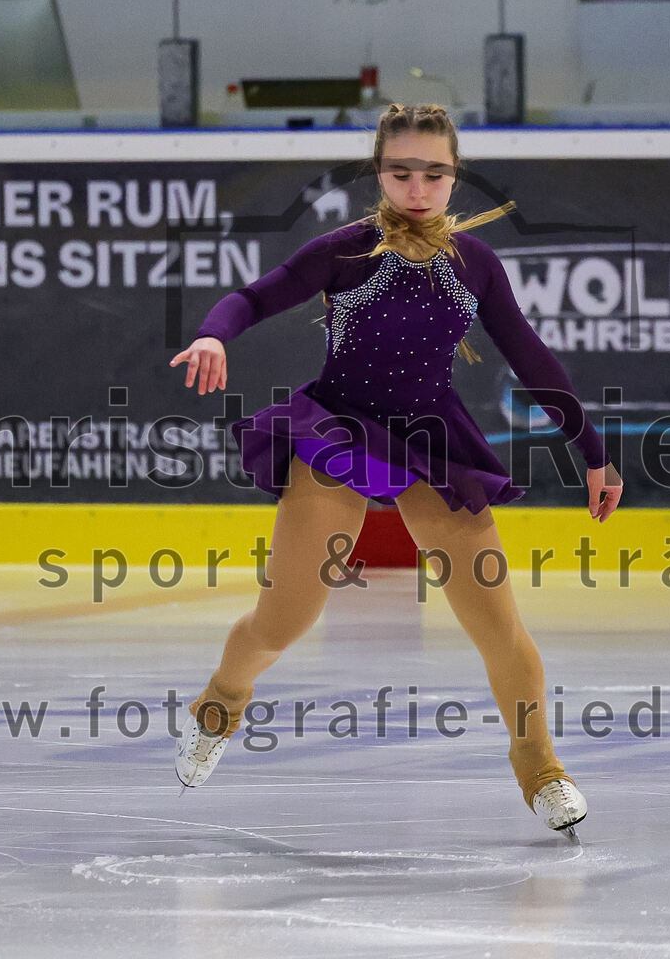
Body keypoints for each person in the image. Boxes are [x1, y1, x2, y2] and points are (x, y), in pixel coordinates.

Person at [168, 102, 623, 832]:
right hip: (338, 434)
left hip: (433, 440)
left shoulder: (475, 265)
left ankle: (540, 768)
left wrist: (595, 455)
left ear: (455, 178)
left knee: (497, 624)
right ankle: (219, 704)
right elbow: (250, 298)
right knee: (285, 620)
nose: (418, 187)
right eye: (401, 171)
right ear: (380, 174)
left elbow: (533, 359)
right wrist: (213, 336)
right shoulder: (345, 250)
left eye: (434, 173)